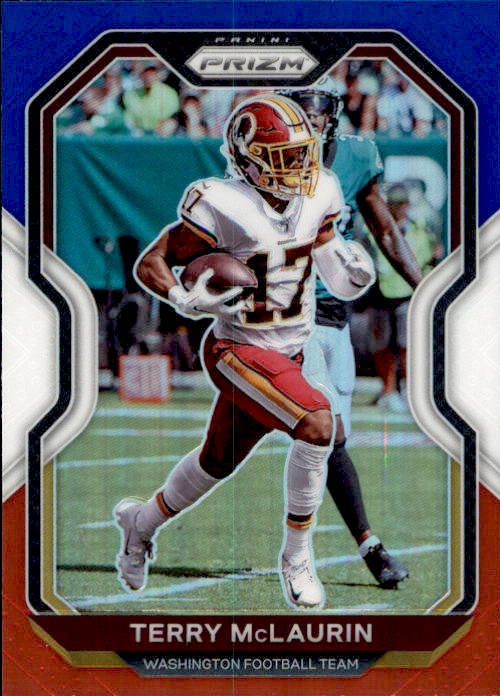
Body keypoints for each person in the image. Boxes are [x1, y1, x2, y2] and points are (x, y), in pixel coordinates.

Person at [114, 95, 375, 608]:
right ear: (248, 160)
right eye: (284, 157)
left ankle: (139, 523)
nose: (299, 165)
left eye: (302, 153)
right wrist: (183, 297)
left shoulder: (321, 190)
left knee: (216, 462)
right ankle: (296, 557)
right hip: (237, 349)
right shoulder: (222, 203)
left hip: (291, 350)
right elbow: (152, 262)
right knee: (318, 424)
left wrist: (351, 272)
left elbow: (329, 264)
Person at [286, 79, 423, 587]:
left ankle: (148, 519)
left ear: (333, 115)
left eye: (316, 110)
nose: (309, 121)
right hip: (288, 318)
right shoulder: (267, 158)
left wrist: (427, 289)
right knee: (330, 435)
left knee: (226, 455)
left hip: (335, 318)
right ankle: (370, 548)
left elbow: (385, 229)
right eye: (299, 111)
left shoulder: (357, 157)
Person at [370, 183, 440, 411]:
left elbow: (432, 256)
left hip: (409, 293)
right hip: (380, 291)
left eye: (402, 203)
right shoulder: (374, 228)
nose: (400, 208)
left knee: (407, 344)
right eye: (395, 204)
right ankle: (388, 391)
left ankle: (410, 390)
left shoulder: (421, 229)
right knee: (381, 344)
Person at [123, 62, 180, 135]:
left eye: (152, 74)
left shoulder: (170, 93)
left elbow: (172, 116)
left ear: (158, 76)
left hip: (159, 130)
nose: (149, 78)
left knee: (169, 125)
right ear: (141, 76)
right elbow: (129, 116)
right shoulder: (131, 94)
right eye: (146, 74)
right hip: (139, 130)